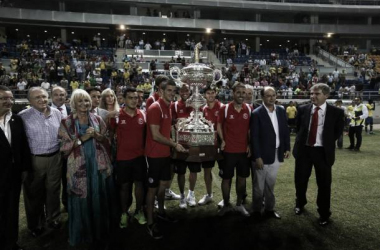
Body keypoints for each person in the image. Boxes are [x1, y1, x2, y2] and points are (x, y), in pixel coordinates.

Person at [59, 89, 113, 247]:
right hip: (78, 167)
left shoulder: (96, 119)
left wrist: (97, 136)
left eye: (87, 101)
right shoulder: (66, 122)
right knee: (80, 197)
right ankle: (82, 233)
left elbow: (106, 140)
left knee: (97, 195)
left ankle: (98, 232)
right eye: (80, 101)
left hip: (97, 164)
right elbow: (63, 148)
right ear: (74, 104)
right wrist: (83, 138)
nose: (85, 104)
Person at [293, 83, 344, 226]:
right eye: (311, 94)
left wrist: (325, 142)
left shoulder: (336, 112)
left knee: (324, 184)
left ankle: (324, 213)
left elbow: (337, 131)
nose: (313, 96)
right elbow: (299, 129)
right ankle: (299, 203)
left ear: (326, 95)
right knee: (300, 180)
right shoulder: (303, 109)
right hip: (304, 151)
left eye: (317, 94)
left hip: (323, 152)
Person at [19, 87, 63, 237]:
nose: (42, 100)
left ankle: (53, 218)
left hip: (55, 157)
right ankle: (35, 224)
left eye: (44, 96)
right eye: (37, 97)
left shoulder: (57, 113)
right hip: (34, 160)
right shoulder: (23, 116)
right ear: (29, 101)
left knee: (53, 191)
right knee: (33, 194)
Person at [145, 79, 186, 239]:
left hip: (165, 154)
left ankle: (161, 212)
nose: (172, 93)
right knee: (152, 189)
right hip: (154, 155)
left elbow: (165, 127)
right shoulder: (155, 107)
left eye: (173, 91)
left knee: (163, 186)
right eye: (168, 90)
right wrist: (174, 144)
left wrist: (176, 125)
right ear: (160, 91)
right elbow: (155, 135)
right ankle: (150, 222)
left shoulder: (168, 107)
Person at [109, 87, 147, 228]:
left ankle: (138, 211)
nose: (133, 100)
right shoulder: (117, 116)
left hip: (139, 157)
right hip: (123, 158)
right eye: (130, 97)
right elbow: (111, 135)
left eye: (135, 97)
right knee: (124, 187)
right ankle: (124, 213)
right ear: (124, 99)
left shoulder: (143, 114)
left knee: (139, 185)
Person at [250, 87, 290, 219]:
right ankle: (256, 210)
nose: (271, 98)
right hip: (262, 155)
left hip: (276, 154)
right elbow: (254, 137)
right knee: (258, 187)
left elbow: (285, 130)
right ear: (262, 97)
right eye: (268, 95)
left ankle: (269, 209)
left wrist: (287, 148)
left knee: (270, 185)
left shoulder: (281, 110)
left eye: (273, 95)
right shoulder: (256, 113)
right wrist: (257, 157)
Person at [0, 85, 31, 250]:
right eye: (4, 98)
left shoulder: (17, 119)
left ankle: (11, 242)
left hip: (14, 174)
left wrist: (24, 168)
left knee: (12, 210)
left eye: (11, 98)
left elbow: (23, 146)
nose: (9, 101)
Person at [217, 82, 251, 217]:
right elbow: (218, 124)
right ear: (233, 93)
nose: (241, 95)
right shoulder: (225, 108)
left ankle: (239, 204)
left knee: (242, 179)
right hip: (228, 151)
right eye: (238, 92)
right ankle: (226, 204)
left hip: (243, 151)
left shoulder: (248, 109)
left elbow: (250, 129)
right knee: (226, 179)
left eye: (244, 93)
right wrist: (222, 140)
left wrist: (250, 144)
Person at [170, 84, 198, 209]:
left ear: (190, 91)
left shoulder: (196, 105)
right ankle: (182, 196)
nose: (184, 92)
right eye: (182, 91)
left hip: (194, 143)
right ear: (179, 92)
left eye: (186, 90)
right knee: (180, 172)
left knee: (193, 171)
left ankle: (191, 194)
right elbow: (171, 122)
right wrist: (177, 122)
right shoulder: (174, 105)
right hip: (180, 144)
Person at [199, 85, 223, 206]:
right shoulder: (203, 109)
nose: (211, 95)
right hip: (208, 144)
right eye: (208, 93)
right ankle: (209, 195)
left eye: (212, 92)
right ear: (204, 95)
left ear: (215, 93)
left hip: (221, 144)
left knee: (224, 171)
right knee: (207, 170)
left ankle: (225, 197)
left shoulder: (222, 107)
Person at [51, 86, 71, 210]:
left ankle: (67, 205)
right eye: (56, 94)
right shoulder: (45, 110)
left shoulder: (72, 110)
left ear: (66, 96)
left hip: (69, 152)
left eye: (62, 94)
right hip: (52, 152)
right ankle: (52, 211)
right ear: (51, 96)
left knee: (68, 180)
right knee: (52, 184)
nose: (59, 97)